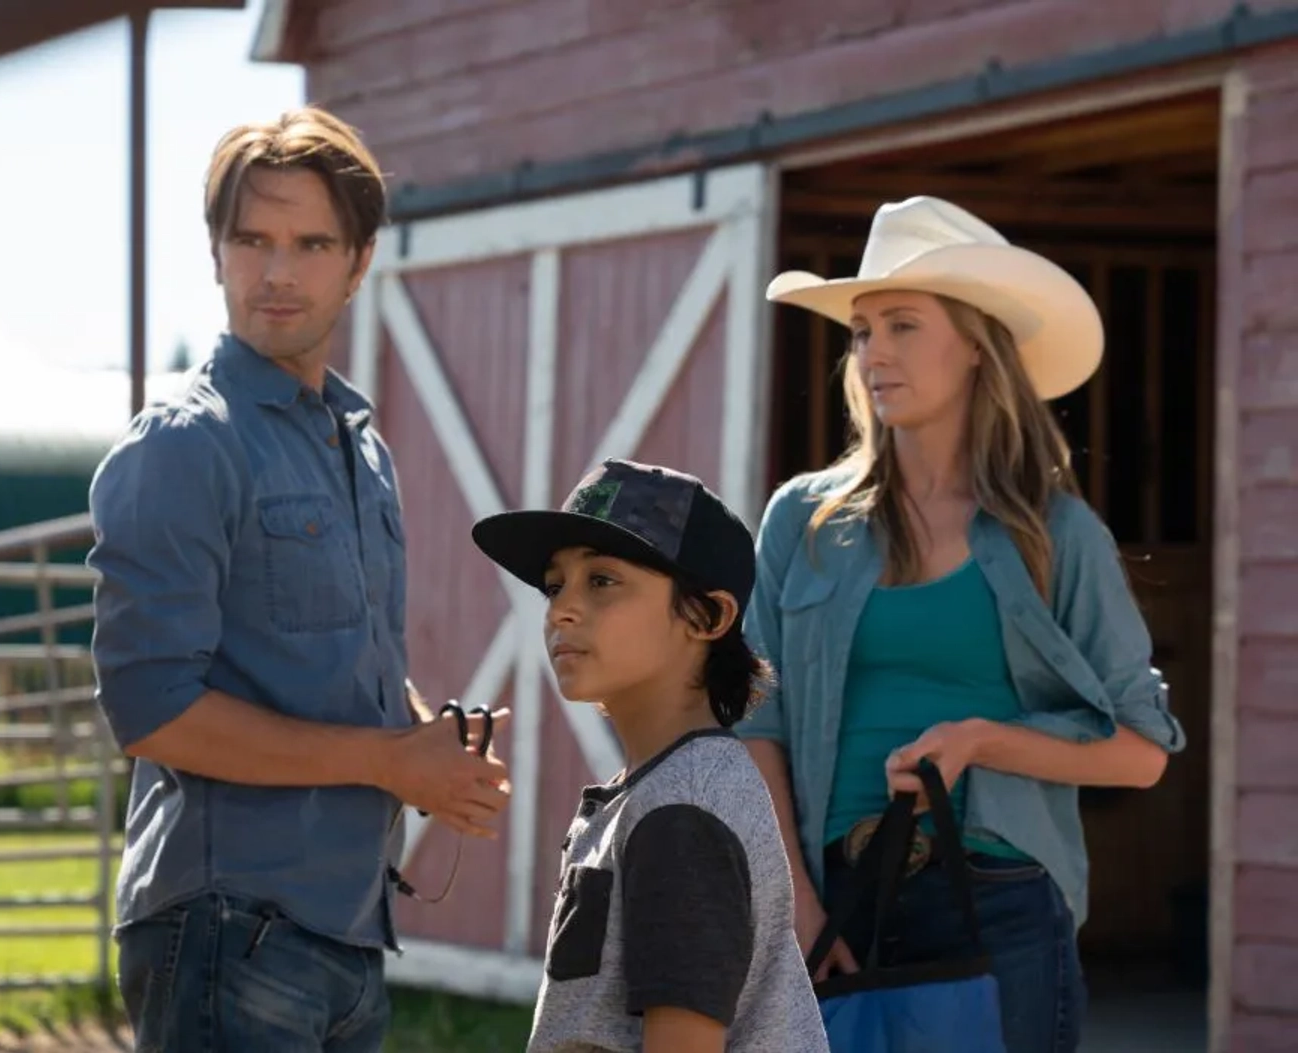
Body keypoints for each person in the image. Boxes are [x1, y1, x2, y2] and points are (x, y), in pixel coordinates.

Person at [84, 106, 513, 1053]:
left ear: (359, 264)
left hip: (347, 930)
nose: (277, 272)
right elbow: (152, 710)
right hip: (228, 927)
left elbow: (331, 668)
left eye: (311, 243)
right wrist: (387, 761)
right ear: (216, 253)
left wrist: (424, 747)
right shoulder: (186, 446)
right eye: (253, 240)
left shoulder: (361, 448)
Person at [736, 195, 1188, 1052]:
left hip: (1001, 895)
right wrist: (792, 896)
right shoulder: (804, 519)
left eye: (903, 325)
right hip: (836, 898)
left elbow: (1141, 750)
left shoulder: (1055, 533)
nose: (874, 354)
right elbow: (758, 715)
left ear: (978, 345)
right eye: (863, 331)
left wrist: (982, 740)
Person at [471, 458, 831, 1053]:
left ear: (706, 616)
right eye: (555, 584)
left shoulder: (683, 812)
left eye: (603, 581)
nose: (561, 608)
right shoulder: (658, 791)